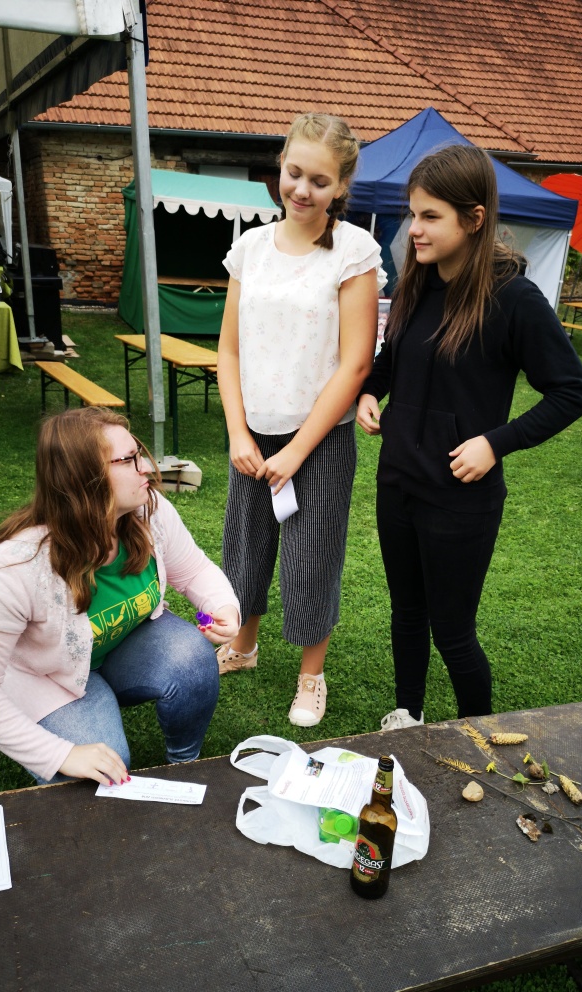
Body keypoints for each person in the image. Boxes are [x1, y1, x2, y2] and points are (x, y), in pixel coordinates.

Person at [356, 144, 582, 732]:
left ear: (474, 218)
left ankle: (479, 737)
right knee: (407, 614)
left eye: (430, 216)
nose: (414, 229)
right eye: (413, 214)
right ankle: (408, 715)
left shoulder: (513, 298)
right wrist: (371, 391)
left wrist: (496, 443)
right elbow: (393, 358)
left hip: (461, 498)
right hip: (398, 482)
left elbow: (572, 392)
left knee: (453, 632)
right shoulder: (416, 283)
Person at [0, 407, 240, 786]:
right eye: (129, 459)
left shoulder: (148, 511)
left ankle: (185, 764)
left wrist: (222, 605)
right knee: (102, 769)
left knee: (191, 657)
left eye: (139, 453)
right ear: (83, 478)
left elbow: (193, 570)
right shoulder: (16, 566)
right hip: (47, 679)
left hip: (119, 647)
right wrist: (58, 754)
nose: (146, 467)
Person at [216, 112, 384, 727]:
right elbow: (228, 350)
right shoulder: (250, 248)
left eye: (320, 180)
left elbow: (356, 362)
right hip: (252, 435)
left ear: (341, 186)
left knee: (311, 559)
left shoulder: (354, 252)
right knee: (246, 548)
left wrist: (296, 450)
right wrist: (238, 432)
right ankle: (243, 645)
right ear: (280, 165)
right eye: (294, 173)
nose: (303, 190)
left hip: (320, 441)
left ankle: (311, 677)